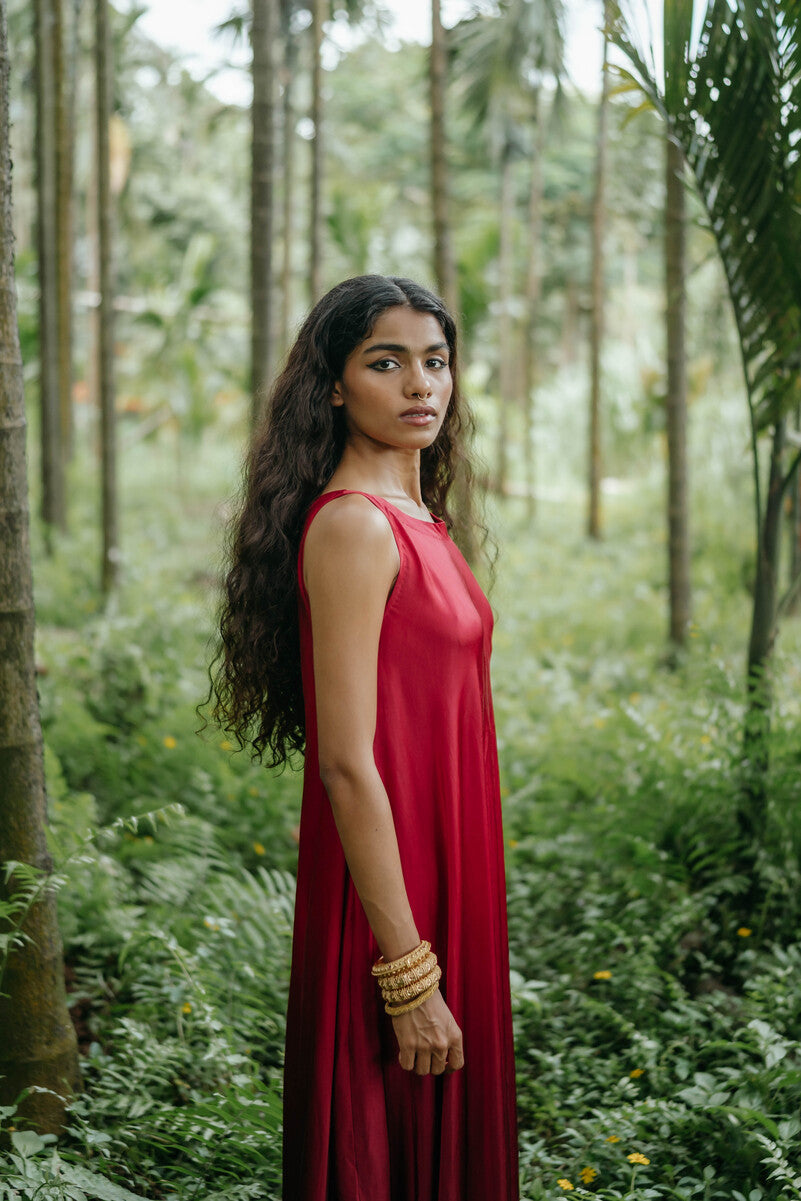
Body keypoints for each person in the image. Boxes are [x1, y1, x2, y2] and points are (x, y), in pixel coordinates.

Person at [209, 275, 518, 1201]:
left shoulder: (423, 518)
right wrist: (408, 970)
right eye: (386, 362)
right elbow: (346, 763)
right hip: (390, 894)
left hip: (447, 857)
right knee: (384, 1130)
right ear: (335, 386)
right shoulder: (353, 526)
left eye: (435, 361)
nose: (420, 384)